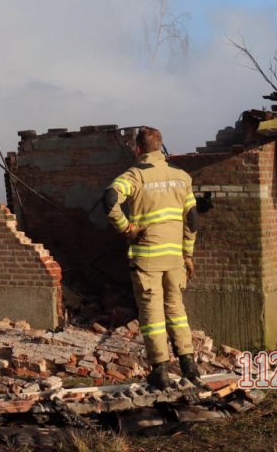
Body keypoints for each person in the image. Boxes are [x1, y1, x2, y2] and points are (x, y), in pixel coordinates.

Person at [104, 126, 201, 389]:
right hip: (175, 259)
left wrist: (127, 228)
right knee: (176, 310)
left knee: (152, 314)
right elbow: (191, 219)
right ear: (161, 147)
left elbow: (110, 198)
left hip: (147, 257)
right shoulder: (182, 177)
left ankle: (160, 371)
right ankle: (189, 365)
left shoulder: (135, 175)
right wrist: (188, 254)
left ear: (137, 149)